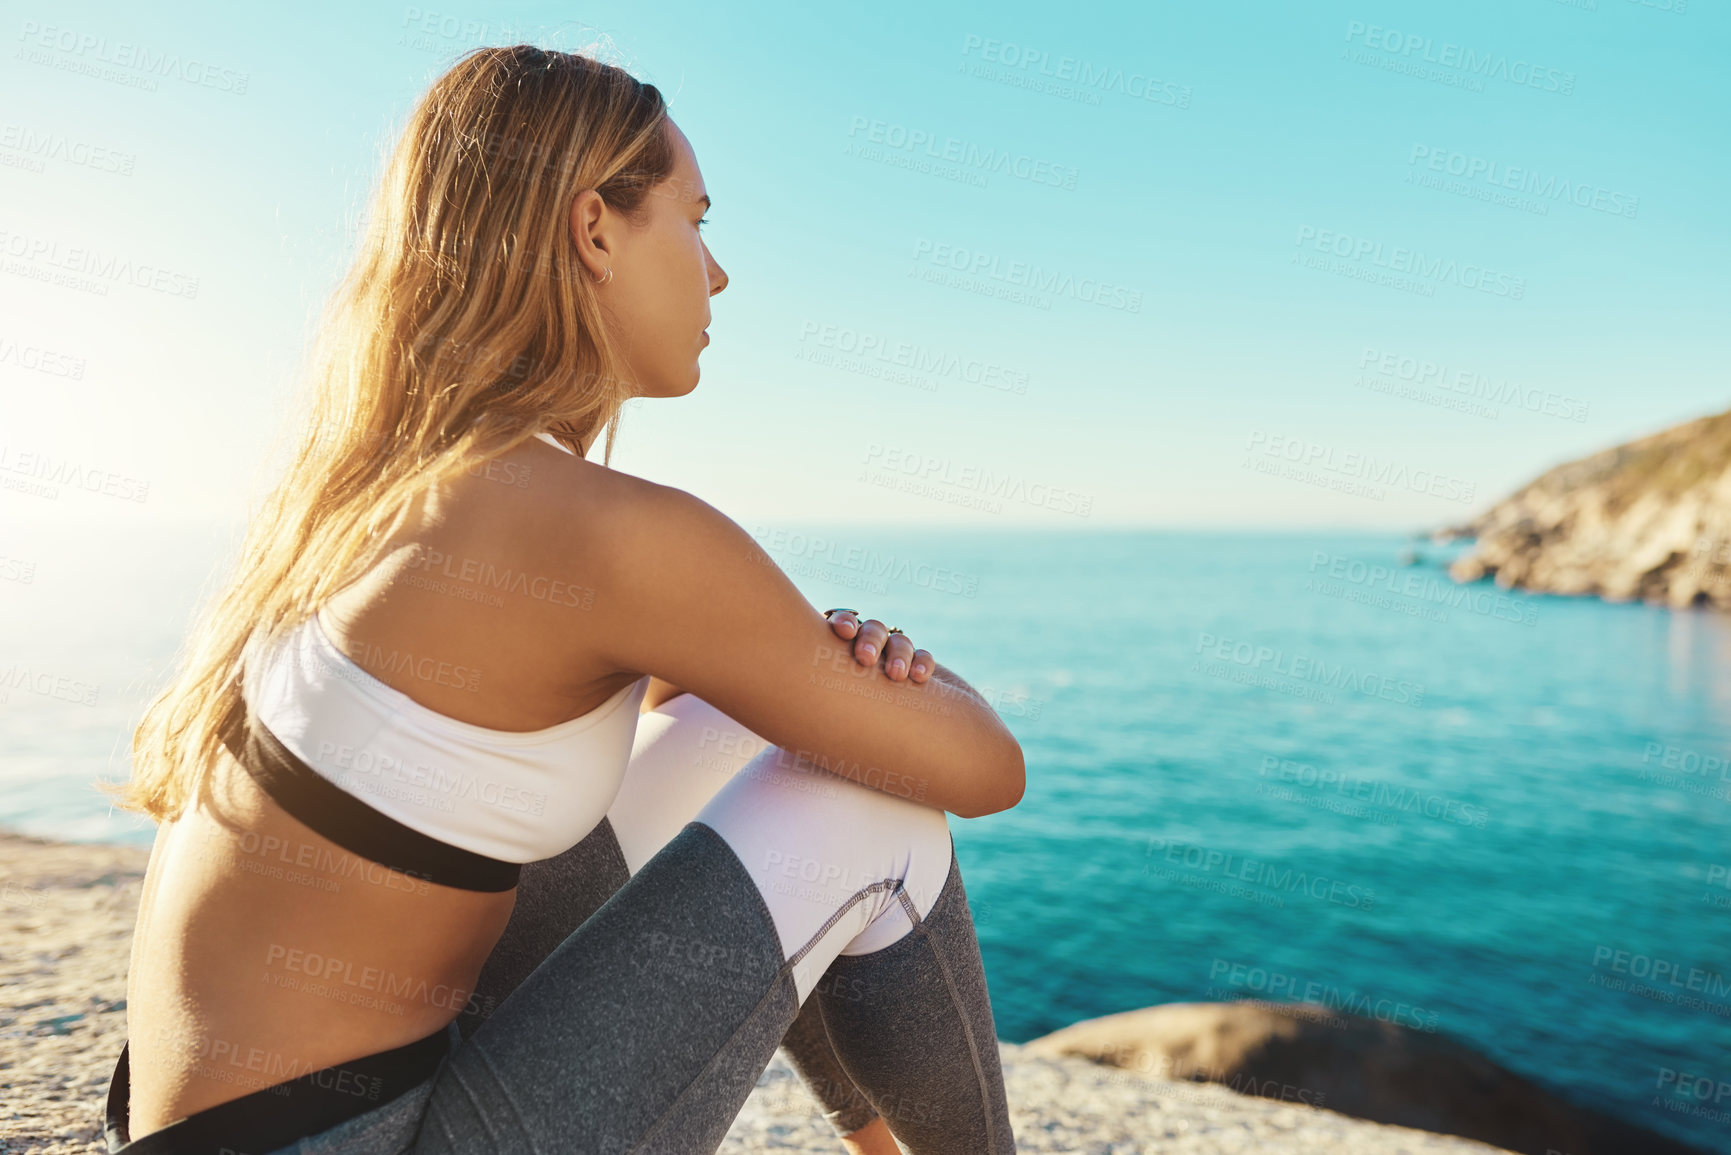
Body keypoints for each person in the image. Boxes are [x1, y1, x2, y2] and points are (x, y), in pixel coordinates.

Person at [102, 43, 1024, 1155]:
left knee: (750, 730)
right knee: (870, 805)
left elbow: (656, 696)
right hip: (342, 1140)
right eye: (695, 219)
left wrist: (798, 675)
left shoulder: (389, 479)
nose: (717, 271)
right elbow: (984, 770)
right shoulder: (600, 529)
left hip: (210, 1123)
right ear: (594, 230)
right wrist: (898, 671)